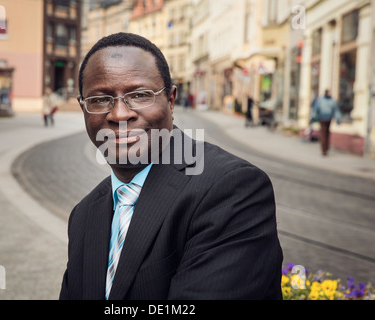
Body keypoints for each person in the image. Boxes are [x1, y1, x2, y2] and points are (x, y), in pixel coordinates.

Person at [59, 33, 283, 300]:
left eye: (140, 95)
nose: (119, 115)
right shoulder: (84, 215)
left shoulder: (230, 189)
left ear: (171, 100)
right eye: (99, 100)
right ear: (83, 108)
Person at [311, 89, 342, 156]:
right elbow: (316, 108)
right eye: (328, 93)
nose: (329, 94)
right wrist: (313, 116)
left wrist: (338, 119)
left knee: (327, 133)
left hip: (329, 119)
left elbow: (336, 110)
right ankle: (324, 149)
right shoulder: (321, 100)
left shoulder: (332, 101)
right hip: (322, 118)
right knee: (323, 133)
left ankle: (326, 148)